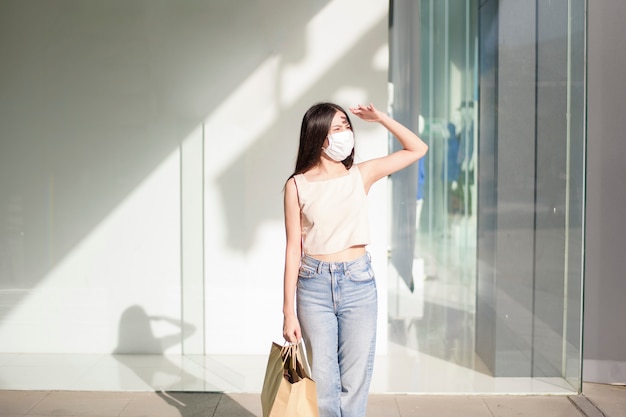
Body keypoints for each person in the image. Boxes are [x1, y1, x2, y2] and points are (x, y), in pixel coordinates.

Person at [282, 102, 428, 417]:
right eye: (337, 128)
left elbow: (417, 148)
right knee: (323, 382)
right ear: (318, 136)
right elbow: (293, 248)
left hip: (358, 282)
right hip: (313, 285)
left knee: (355, 379)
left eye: (347, 126)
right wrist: (287, 312)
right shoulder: (297, 185)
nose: (346, 133)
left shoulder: (360, 174)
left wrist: (381, 118)